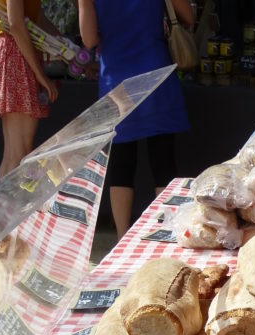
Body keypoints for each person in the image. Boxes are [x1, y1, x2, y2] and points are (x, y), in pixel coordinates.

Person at [77, 0, 192, 239]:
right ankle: (167, 234)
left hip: (117, 82)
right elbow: (188, 17)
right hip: (157, 75)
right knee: (163, 162)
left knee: (121, 165)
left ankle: (121, 237)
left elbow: (89, 41)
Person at [0, 0, 61, 178]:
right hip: (16, 54)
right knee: (18, 154)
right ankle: (7, 206)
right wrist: (41, 75)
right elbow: (15, 23)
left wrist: (68, 50)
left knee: (14, 154)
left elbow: (34, 18)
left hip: (16, 53)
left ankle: (3, 206)